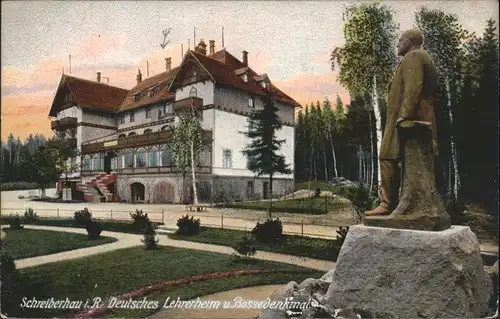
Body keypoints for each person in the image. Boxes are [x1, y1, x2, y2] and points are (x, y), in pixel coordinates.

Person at [366, 29, 439, 216]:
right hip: (421, 115)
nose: (398, 44)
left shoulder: (414, 56)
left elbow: (414, 87)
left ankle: (387, 204)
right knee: (415, 161)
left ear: (411, 41)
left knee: (387, 156)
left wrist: (404, 115)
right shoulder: (424, 57)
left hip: (407, 117)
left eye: (401, 40)